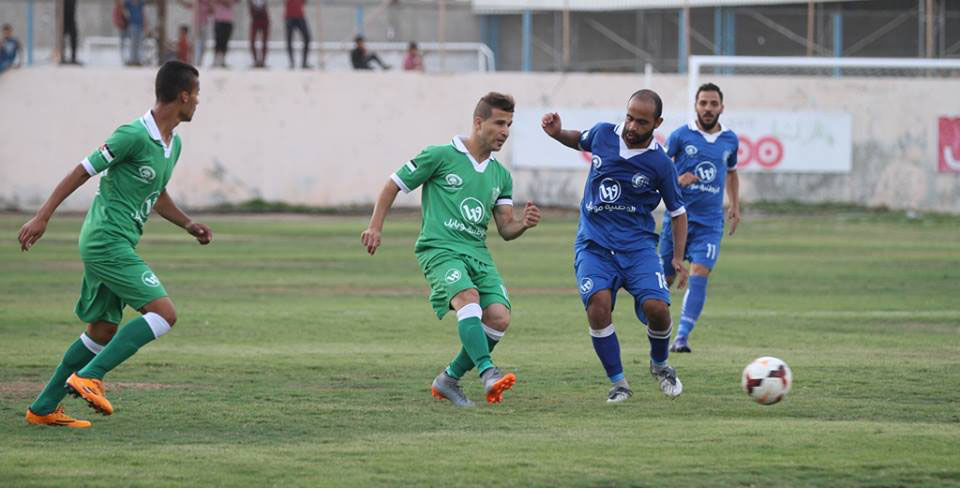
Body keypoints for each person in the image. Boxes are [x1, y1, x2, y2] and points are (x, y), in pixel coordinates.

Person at [20, 61, 210, 428]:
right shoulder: (132, 135)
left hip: (116, 241)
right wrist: (42, 216)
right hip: (106, 241)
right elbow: (81, 170)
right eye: (197, 94)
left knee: (102, 331)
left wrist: (187, 223)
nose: (199, 102)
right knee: (164, 313)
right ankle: (90, 377)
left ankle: (42, 408)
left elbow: (156, 193)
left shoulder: (174, 143)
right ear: (183, 96)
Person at [361, 92, 541, 408]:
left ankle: (448, 380)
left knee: (498, 318)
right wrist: (375, 226)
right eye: (499, 123)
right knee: (468, 299)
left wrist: (523, 223)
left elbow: (506, 229)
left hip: (477, 252)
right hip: (439, 249)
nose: (505, 131)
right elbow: (393, 184)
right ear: (478, 122)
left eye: (509, 125)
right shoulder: (440, 156)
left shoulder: (501, 175)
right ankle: (487, 372)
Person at [541, 89, 688, 403]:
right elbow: (578, 138)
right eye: (630, 117)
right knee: (598, 304)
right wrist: (556, 134)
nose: (633, 126)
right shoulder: (604, 134)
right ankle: (619, 383)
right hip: (594, 244)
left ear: (657, 123)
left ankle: (660, 365)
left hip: (638, 248)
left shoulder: (661, 164)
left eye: (642, 122)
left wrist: (677, 257)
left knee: (657, 310)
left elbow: (678, 212)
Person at [660, 83, 740, 354]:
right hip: (677, 219)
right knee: (665, 280)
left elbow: (731, 172)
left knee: (700, 273)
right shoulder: (681, 136)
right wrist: (676, 180)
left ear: (721, 107)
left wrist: (735, 205)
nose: (708, 108)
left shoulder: (730, 140)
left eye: (713, 104)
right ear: (695, 105)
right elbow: (659, 167)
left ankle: (681, 336)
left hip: (709, 222)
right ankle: (660, 327)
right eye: (703, 103)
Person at [284, 0, 311, 69]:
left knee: (307, 38)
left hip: (300, 16)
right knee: (289, 40)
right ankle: (291, 62)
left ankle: (304, 62)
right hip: (289, 16)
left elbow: (305, 2)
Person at [120, 0, 146, 66]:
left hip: (140, 25)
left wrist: (145, 24)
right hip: (132, 25)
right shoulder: (128, 3)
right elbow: (121, 6)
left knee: (140, 43)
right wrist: (126, 17)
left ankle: (138, 60)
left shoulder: (141, 3)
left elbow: (143, 13)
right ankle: (132, 60)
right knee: (133, 43)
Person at [212, 0, 235, 68]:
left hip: (229, 19)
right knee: (218, 40)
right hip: (219, 19)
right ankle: (216, 59)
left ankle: (223, 60)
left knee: (225, 40)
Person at [249, 0, 269, 68]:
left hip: (264, 18)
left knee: (264, 41)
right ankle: (255, 61)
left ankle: (262, 61)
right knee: (252, 40)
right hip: (255, 18)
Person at [61, 0, 81, 65]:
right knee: (62, 38)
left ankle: (73, 58)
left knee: (74, 36)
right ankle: (62, 57)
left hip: (71, 19)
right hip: (63, 19)